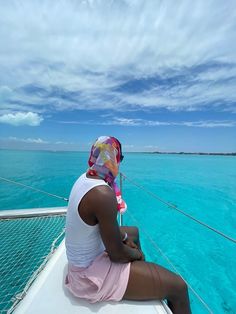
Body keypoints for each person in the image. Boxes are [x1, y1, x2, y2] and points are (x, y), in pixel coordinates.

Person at [65, 136, 191, 314]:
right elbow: (116, 255)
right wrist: (136, 253)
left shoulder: (86, 178)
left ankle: (139, 274)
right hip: (88, 276)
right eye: (120, 158)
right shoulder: (102, 194)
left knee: (133, 232)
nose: (120, 162)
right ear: (113, 158)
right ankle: (139, 271)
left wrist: (125, 239)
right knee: (179, 287)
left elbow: (104, 231)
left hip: (87, 257)